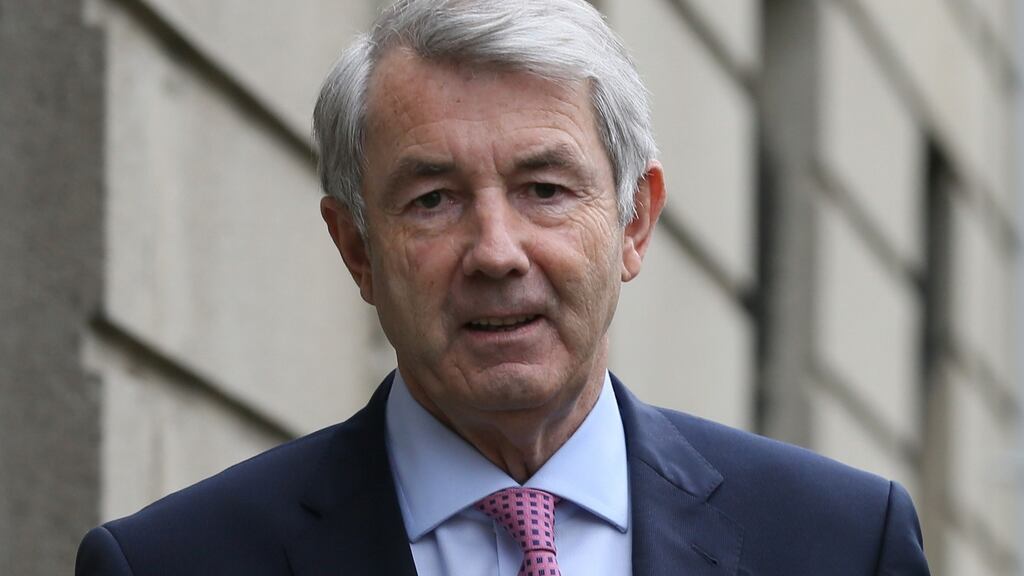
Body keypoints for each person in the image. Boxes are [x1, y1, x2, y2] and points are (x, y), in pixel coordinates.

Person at [76, 0, 930, 574]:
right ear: (357, 251)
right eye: (434, 199)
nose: (496, 251)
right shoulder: (173, 563)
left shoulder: (844, 546)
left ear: (635, 221)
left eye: (545, 190)